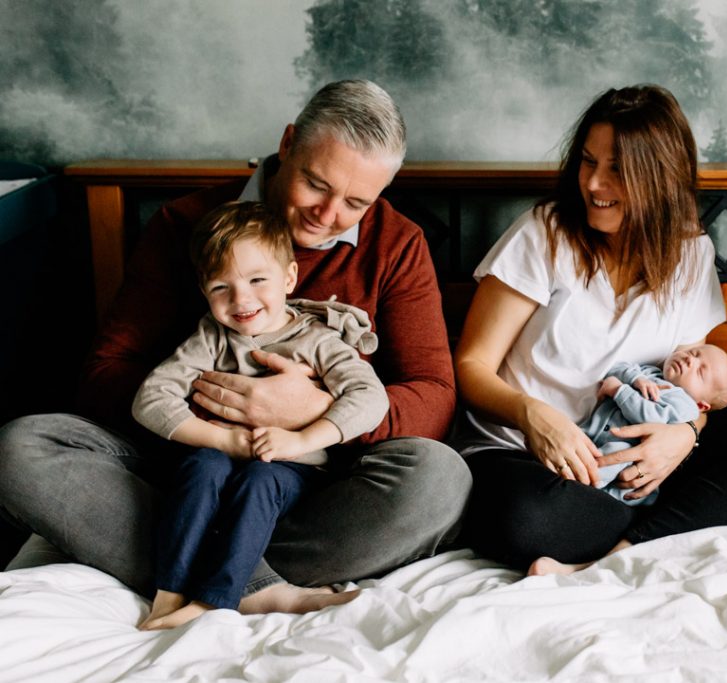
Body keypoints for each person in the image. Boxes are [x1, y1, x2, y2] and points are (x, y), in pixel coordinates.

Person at [0, 80, 471, 615]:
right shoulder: (186, 223)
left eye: (356, 203)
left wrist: (315, 413)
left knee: (439, 478)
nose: (328, 213)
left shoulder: (397, 243)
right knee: (20, 447)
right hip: (187, 470)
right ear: (288, 143)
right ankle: (250, 583)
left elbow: (434, 397)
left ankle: (196, 569)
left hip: (317, 479)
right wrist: (229, 412)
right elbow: (105, 375)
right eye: (316, 184)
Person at [453, 85, 727, 577]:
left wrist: (684, 437)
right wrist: (533, 415)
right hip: (527, 457)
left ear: (661, 179)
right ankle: (675, 527)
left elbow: (693, 386)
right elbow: (471, 364)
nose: (593, 184)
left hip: (637, 462)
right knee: (527, 518)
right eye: (588, 162)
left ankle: (623, 546)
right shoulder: (543, 234)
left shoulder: (692, 255)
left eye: (617, 170)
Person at [134, 201, 385, 629]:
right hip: (221, 457)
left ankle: (217, 599)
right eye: (220, 288)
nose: (241, 299)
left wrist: (303, 439)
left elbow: (370, 397)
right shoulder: (210, 337)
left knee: (259, 478)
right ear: (203, 291)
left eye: (256, 280)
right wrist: (223, 440)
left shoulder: (316, 338)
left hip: (289, 470)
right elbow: (151, 398)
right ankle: (169, 594)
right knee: (200, 467)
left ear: (289, 277)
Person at [585, 343, 727, 505]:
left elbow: (650, 418)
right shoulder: (650, 372)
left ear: (700, 406)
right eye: (693, 353)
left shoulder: (685, 406)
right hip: (593, 432)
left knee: (616, 452)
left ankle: (586, 481)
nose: (689, 360)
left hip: (626, 464)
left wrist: (619, 390)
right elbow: (618, 367)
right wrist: (636, 379)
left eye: (700, 371)